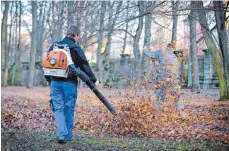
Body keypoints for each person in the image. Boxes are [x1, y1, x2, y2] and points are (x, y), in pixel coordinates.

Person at [45, 25, 99, 144]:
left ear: (67, 33)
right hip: (69, 84)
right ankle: (67, 136)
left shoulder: (54, 46)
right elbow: (85, 66)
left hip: (54, 83)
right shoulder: (75, 48)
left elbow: (47, 62)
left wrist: (49, 79)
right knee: (68, 108)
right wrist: (94, 80)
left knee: (58, 109)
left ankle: (61, 135)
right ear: (76, 35)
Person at [143, 43, 184, 111]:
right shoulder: (174, 55)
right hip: (173, 77)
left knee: (160, 93)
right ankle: (180, 109)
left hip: (163, 76)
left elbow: (150, 54)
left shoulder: (160, 52)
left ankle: (159, 109)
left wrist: (145, 49)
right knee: (175, 92)